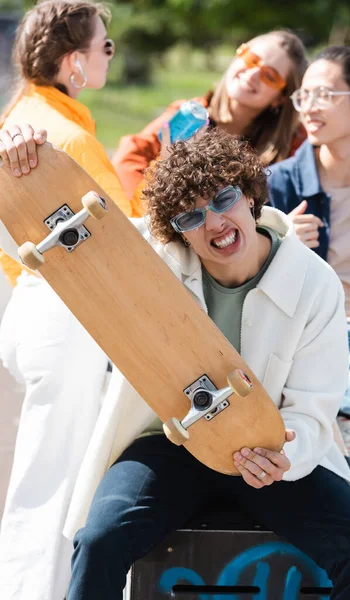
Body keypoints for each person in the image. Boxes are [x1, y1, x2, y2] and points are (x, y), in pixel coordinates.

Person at [37, 126, 350, 599]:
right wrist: (21, 160)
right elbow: (45, 237)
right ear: (176, 229)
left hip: (266, 447)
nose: (214, 224)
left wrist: (283, 456)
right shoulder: (156, 262)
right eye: (190, 216)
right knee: (100, 540)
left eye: (224, 199)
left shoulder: (314, 281)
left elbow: (314, 405)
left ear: (249, 197)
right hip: (169, 442)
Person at [0, 2, 132, 599]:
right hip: (67, 316)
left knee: (49, 479)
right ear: (75, 61)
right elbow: (126, 243)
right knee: (55, 484)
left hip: (33, 311)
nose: (110, 55)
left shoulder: (26, 114)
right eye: (106, 46)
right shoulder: (65, 136)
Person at [267, 45, 350, 441]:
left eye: (323, 95)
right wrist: (279, 243)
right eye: (303, 95)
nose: (308, 107)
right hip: (341, 339)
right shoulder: (278, 185)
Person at [111, 30, 308, 213]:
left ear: (281, 98)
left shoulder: (290, 146)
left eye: (270, 76)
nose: (253, 73)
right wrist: (141, 213)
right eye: (251, 59)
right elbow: (130, 157)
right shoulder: (189, 116)